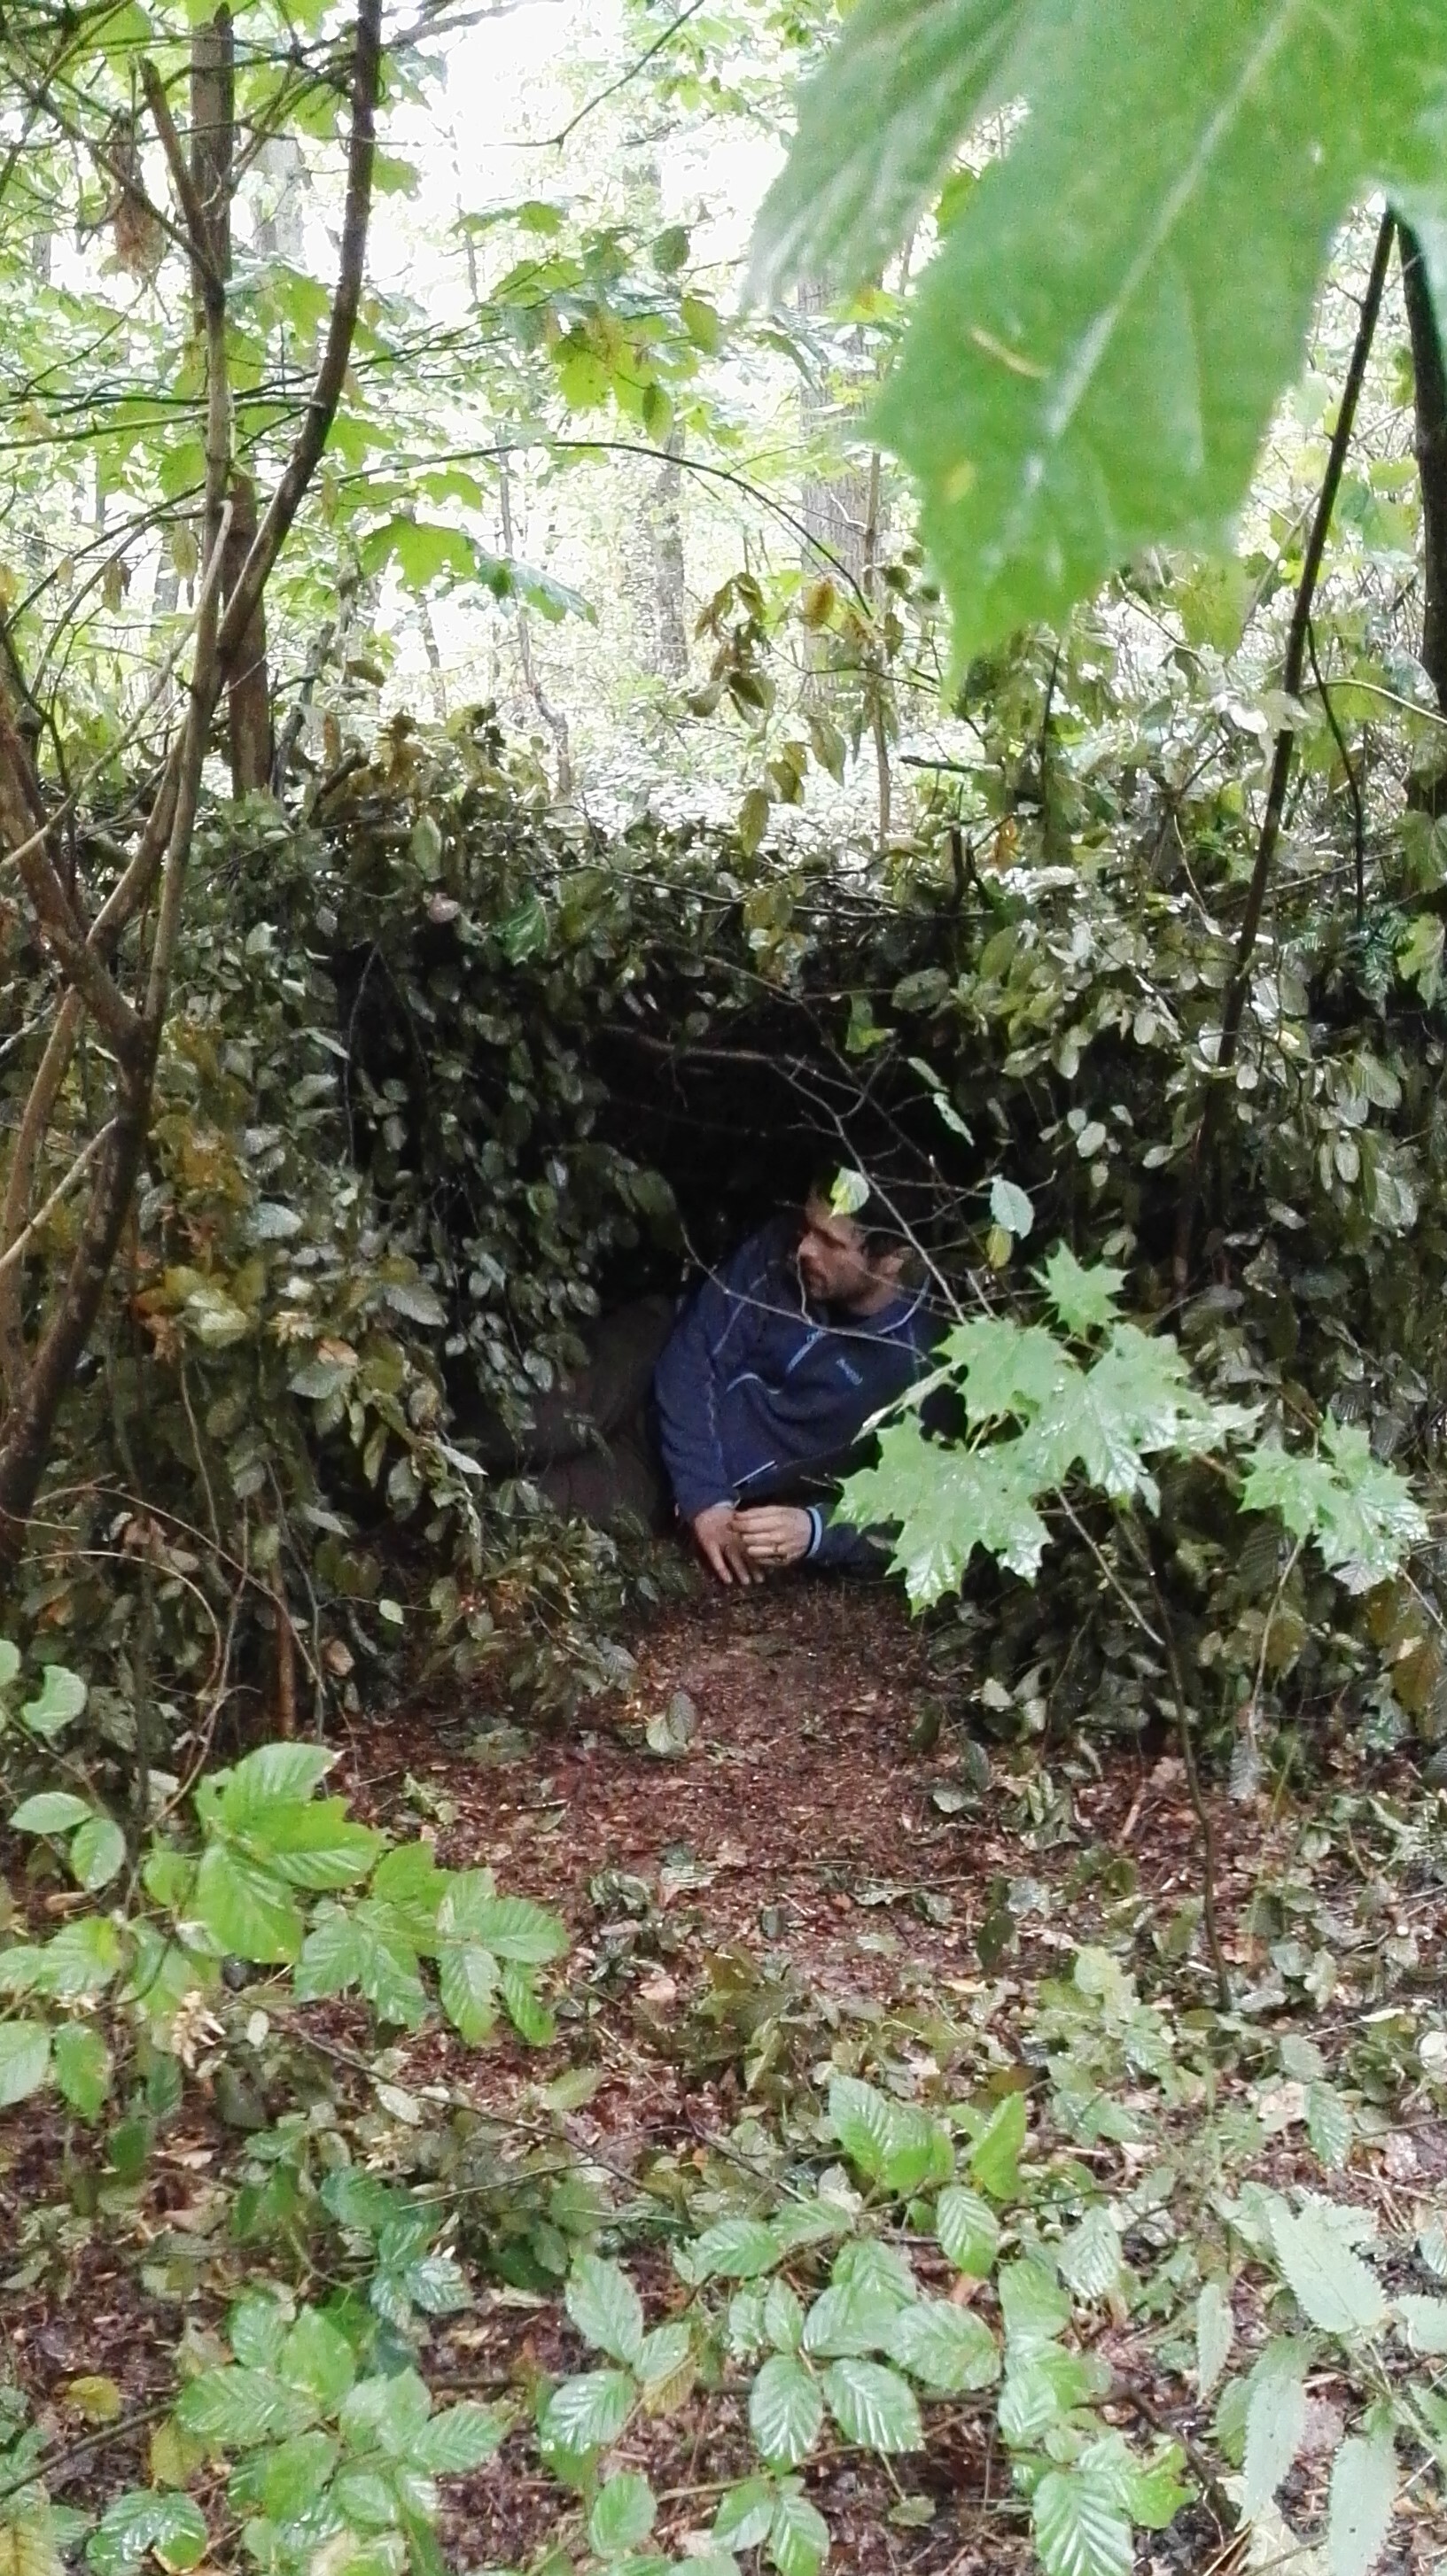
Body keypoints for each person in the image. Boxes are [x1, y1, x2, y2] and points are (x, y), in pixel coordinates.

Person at [505, 1176, 937, 1581]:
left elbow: (924, 1510)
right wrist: (707, 1498)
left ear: (893, 1259)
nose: (806, 1248)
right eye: (808, 1228)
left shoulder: (924, 1360)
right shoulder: (781, 1251)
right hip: (648, 1361)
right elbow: (693, 1358)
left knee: (525, 1509)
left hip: (663, 1475)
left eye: (830, 1241)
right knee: (521, 1419)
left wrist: (817, 1530)